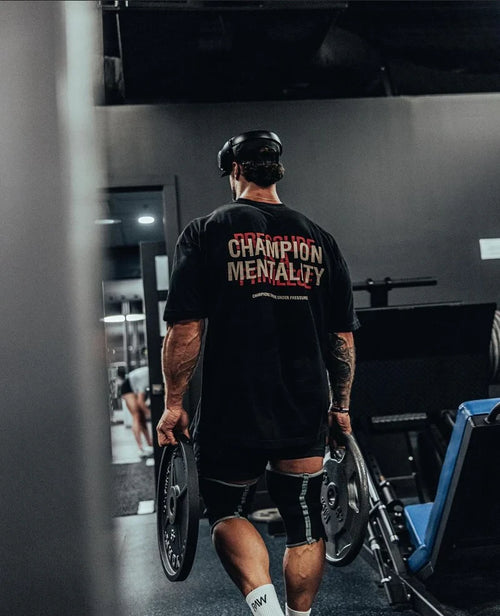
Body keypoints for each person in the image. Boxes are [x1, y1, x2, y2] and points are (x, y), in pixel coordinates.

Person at [157, 130, 358, 616]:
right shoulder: (320, 238)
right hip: (303, 401)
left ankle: (266, 613)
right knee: (305, 523)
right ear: (276, 171)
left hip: (234, 403)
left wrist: (174, 404)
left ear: (235, 170)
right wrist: (341, 407)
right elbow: (341, 339)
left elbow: (186, 329)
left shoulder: (206, 231)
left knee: (227, 510)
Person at [121, 365, 153, 458]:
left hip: (134, 384)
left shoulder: (150, 376)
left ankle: (150, 443)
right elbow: (140, 402)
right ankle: (140, 447)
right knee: (136, 416)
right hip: (127, 387)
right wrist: (150, 414)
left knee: (142, 418)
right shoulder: (145, 379)